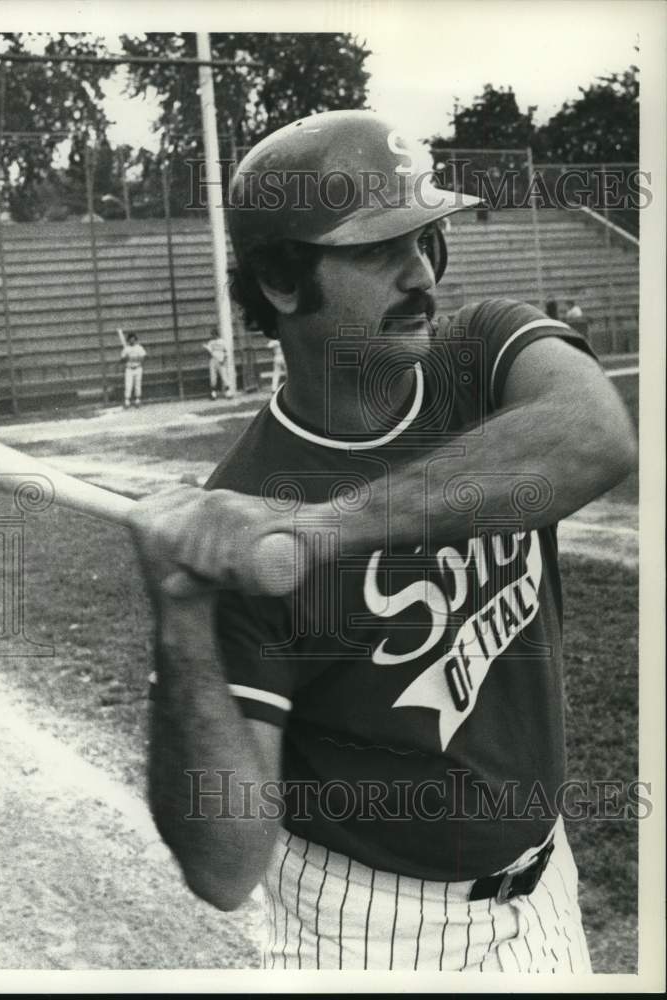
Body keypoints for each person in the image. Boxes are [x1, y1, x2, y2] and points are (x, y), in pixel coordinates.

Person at [128, 111, 636, 972]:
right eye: (379, 248)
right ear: (284, 282)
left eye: (429, 237)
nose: (423, 274)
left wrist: (321, 529)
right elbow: (223, 868)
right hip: (374, 936)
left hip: (548, 891)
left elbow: (595, 436)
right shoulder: (236, 519)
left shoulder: (481, 354)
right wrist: (180, 619)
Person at [203, 328, 233, 399]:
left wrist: (224, 360)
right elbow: (209, 352)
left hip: (221, 360)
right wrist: (209, 352)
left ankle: (228, 393)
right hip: (213, 360)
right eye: (212, 335)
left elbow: (226, 352)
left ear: (217, 334)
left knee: (224, 376)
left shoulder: (222, 342)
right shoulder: (211, 342)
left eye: (214, 334)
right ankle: (213, 394)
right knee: (213, 377)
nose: (213, 336)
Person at [121, 331, 147, 408]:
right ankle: (127, 401)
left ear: (135, 339)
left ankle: (137, 400)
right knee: (128, 385)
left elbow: (143, 358)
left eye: (133, 339)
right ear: (128, 340)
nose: (132, 341)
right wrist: (126, 358)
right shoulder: (126, 349)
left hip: (138, 368)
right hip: (129, 369)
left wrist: (135, 359)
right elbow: (122, 359)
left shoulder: (139, 348)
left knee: (137, 384)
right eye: (130, 339)